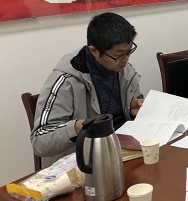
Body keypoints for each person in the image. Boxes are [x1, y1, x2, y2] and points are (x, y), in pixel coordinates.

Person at [31, 12, 144, 166]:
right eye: (119, 54)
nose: (126, 59)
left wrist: (131, 111)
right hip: (84, 164)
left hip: (123, 153)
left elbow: (131, 117)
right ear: (93, 51)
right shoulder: (65, 81)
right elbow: (40, 142)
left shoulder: (125, 72)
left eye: (129, 51)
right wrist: (77, 127)